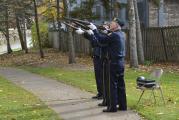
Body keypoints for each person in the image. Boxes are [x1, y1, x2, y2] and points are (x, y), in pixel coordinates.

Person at [76, 19, 127, 112]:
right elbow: (105, 39)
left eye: (112, 23)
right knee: (120, 85)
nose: (110, 24)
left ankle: (112, 107)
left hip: (113, 63)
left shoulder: (114, 35)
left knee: (112, 86)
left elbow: (100, 40)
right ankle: (123, 106)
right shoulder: (122, 34)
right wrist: (103, 32)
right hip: (120, 63)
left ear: (117, 25)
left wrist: (94, 30)